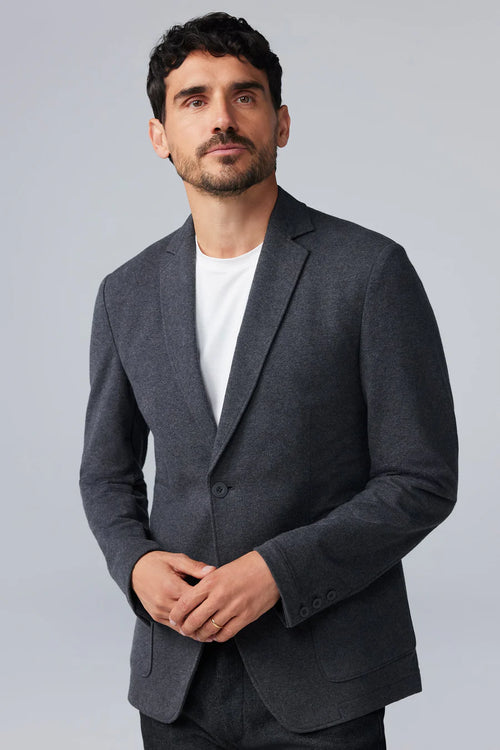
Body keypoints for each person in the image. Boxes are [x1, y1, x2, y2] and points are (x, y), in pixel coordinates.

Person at [80, 11, 458, 749]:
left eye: (245, 95)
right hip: (177, 680)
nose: (221, 117)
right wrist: (135, 563)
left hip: (327, 677)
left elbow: (421, 479)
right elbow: (105, 474)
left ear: (281, 123)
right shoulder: (125, 294)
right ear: (160, 135)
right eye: (194, 99)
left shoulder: (370, 272)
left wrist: (277, 573)